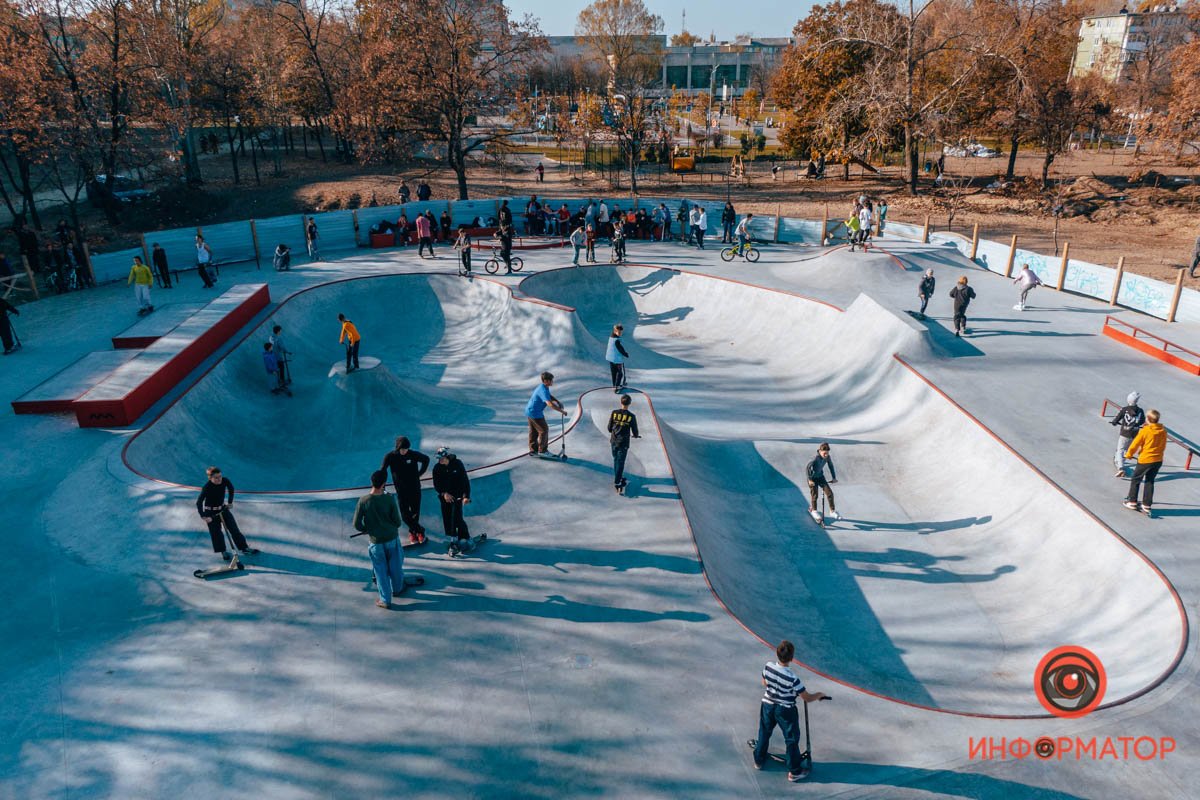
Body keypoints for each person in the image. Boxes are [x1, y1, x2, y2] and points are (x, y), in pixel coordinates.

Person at [751, 640, 830, 782]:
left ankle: (758, 760)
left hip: (768, 705)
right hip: (785, 710)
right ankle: (794, 771)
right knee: (791, 738)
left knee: (764, 731)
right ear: (792, 658)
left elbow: (764, 683)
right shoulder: (793, 678)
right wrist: (819, 695)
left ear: (777, 653)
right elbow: (806, 697)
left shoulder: (768, 667)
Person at [354, 470, 406, 609]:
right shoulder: (389, 498)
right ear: (384, 484)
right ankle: (398, 588)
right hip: (392, 539)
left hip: (376, 542)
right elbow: (397, 522)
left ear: (372, 482)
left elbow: (356, 524)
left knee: (380, 571)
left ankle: (385, 600)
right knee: (395, 566)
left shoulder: (363, 501)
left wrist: (366, 529)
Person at [196, 467, 257, 561]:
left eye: (220, 476)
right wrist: (203, 516)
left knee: (234, 529)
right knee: (216, 534)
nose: (219, 479)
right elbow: (199, 502)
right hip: (211, 513)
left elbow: (231, 489)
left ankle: (244, 548)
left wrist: (230, 502)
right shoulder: (207, 487)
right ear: (210, 478)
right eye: (216, 477)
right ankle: (223, 551)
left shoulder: (225, 480)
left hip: (223, 509)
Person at [381, 436, 430, 544]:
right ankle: (420, 530)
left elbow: (426, 459)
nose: (405, 451)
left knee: (415, 513)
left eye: (406, 449)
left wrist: (420, 473)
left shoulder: (412, 454)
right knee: (405, 516)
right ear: (398, 448)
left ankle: (414, 532)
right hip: (401, 490)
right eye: (402, 449)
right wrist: (382, 487)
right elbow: (383, 471)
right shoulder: (390, 457)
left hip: (415, 488)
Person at [1123, 409, 1167, 514]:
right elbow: (1163, 445)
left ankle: (1132, 501)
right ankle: (1147, 505)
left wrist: (1129, 454)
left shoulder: (1145, 431)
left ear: (1148, 419)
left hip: (1146, 460)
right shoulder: (1163, 431)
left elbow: (1135, 444)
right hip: (1158, 460)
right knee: (1149, 481)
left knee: (1136, 479)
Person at [432, 446, 472, 547]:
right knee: (448, 518)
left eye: (441, 458)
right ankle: (453, 537)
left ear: (447, 457)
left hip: (457, 496)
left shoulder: (457, 464)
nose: (439, 460)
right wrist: (444, 493)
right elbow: (436, 485)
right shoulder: (437, 468)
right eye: (438, 459)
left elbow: (465, 481)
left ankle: (465, 537)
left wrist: (466, 496)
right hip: (444, 497)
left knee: (457, 517)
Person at [526, 370, 566, 456]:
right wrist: (562, 411)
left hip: (530, 411)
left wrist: (557, 401)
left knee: (534, 431)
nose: (552, 382)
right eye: (551, 380)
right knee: (544, 430)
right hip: (535, 413)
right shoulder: (543, 390)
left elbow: (549, 396)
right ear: (546, 381)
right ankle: (542, 451)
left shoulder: (543, 387)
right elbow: (549, 404)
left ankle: (533, 450)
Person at [607, 393, 640, 492]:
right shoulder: (631, 416)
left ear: (620, 402)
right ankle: (617, 482)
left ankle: (619, 477)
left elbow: (609, 428)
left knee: (616, 460)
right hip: (623, 443)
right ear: (630, 403)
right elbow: (635, 430)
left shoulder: (614, 413)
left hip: (613, 440)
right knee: (620, 462)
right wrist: (635, 435)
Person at [1110, 391, 1145, 477]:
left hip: (1125, 433)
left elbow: (1117, 418)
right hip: (1134, 434)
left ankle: (1121, 467)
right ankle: (1122, 460)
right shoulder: (1140, 411)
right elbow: (1142, 421)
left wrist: (1114, 422)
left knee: (1120, 449)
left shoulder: (1124, 409)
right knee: (1127, 449)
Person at [806, 443, 841, 523]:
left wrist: (834, 477)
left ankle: (832, 511)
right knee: (815, 495)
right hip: (812, 478)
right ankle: (814, 511)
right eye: (824, 453)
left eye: (827, 453)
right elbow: (807, 468)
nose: (826, 455)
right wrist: (810, 479)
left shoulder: (827, 457)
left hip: (821, 477)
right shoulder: (815, 458)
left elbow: (831, 466)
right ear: (820, 451)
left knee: (830, 493)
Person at [606, 324, 629, 391]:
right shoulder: (616, 340)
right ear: (615, 331)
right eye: (619, 332)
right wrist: (625, 354)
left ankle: (614, 385)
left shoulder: (611, 337)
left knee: (614, 372)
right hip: (616, 359)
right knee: (620, 373)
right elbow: (620, 349)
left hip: (610, 358)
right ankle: (617, 386)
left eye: (621, 332)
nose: (620, 334)